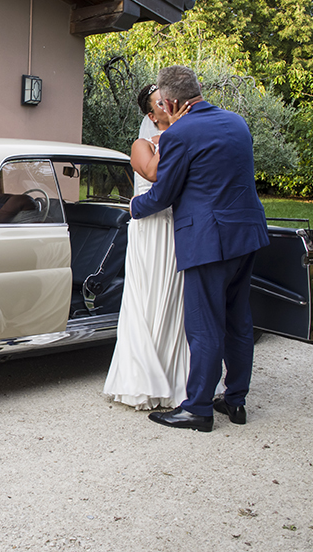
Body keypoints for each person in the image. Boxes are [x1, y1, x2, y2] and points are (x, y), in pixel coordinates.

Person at [130, 66, 270, 433]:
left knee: (204, 325)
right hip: (248, 234)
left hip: (209, 239)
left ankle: (197, 409)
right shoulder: (237, 122)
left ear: (173, 103)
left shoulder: (181, 133)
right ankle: (235, 401)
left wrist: (134, 208)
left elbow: (165, 193)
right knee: (238, 321)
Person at [103, 84, 190, 409]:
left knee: (172, 302)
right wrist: (174, 136)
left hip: (174, 230)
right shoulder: (141, 144)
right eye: (160, 103)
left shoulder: (181, 139)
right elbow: (153, 173)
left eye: (170, 100)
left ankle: (174, 380)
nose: (169, 105)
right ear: (151, 114)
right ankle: (142, 381)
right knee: (146, 299)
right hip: (149, 230)